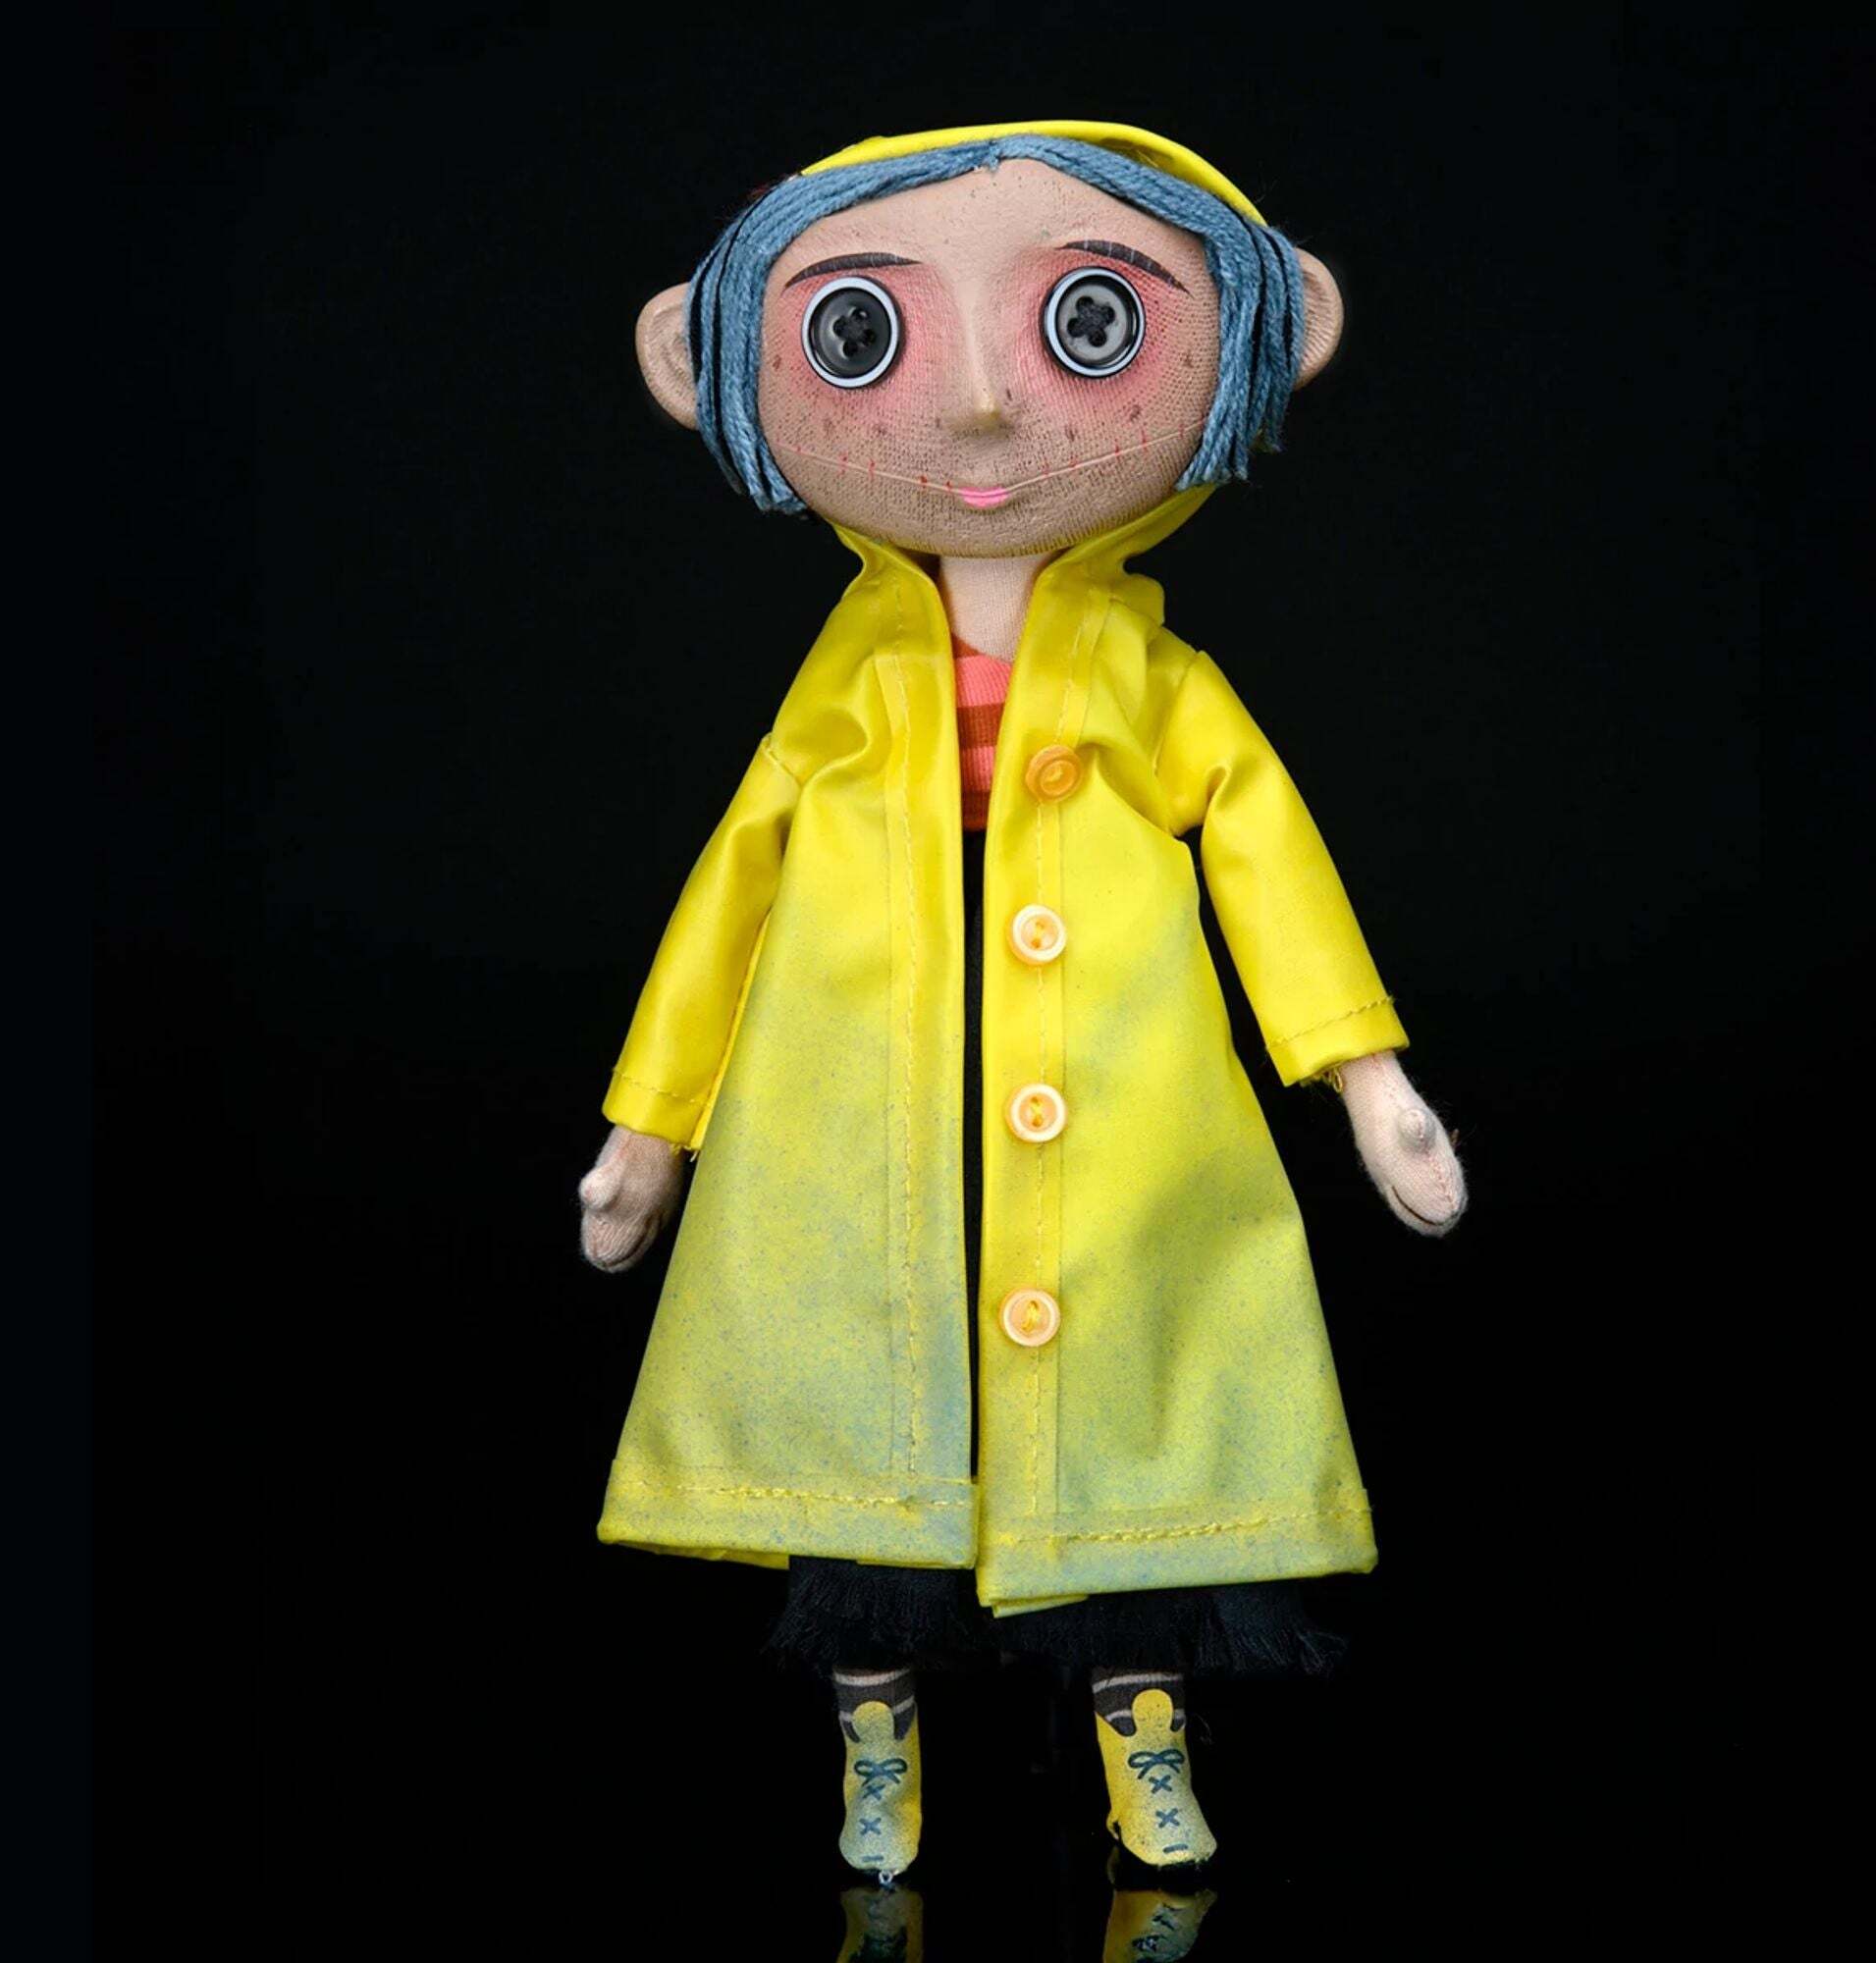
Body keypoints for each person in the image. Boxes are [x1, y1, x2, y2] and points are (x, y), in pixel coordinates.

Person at [575, 121, 1468, 1880]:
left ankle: (1145, 1731)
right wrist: (649, 1130)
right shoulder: (835, 701)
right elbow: (729, 896)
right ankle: (877, 1737)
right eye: (863, 336)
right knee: (859, 1413)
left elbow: (1269, 861)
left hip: (1125, 1107)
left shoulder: (1159, 684)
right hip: (854, 1113)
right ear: (707, 364)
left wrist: (1369, 1079)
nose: (983, 410)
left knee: (1133, 1421)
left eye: (1087, 324)